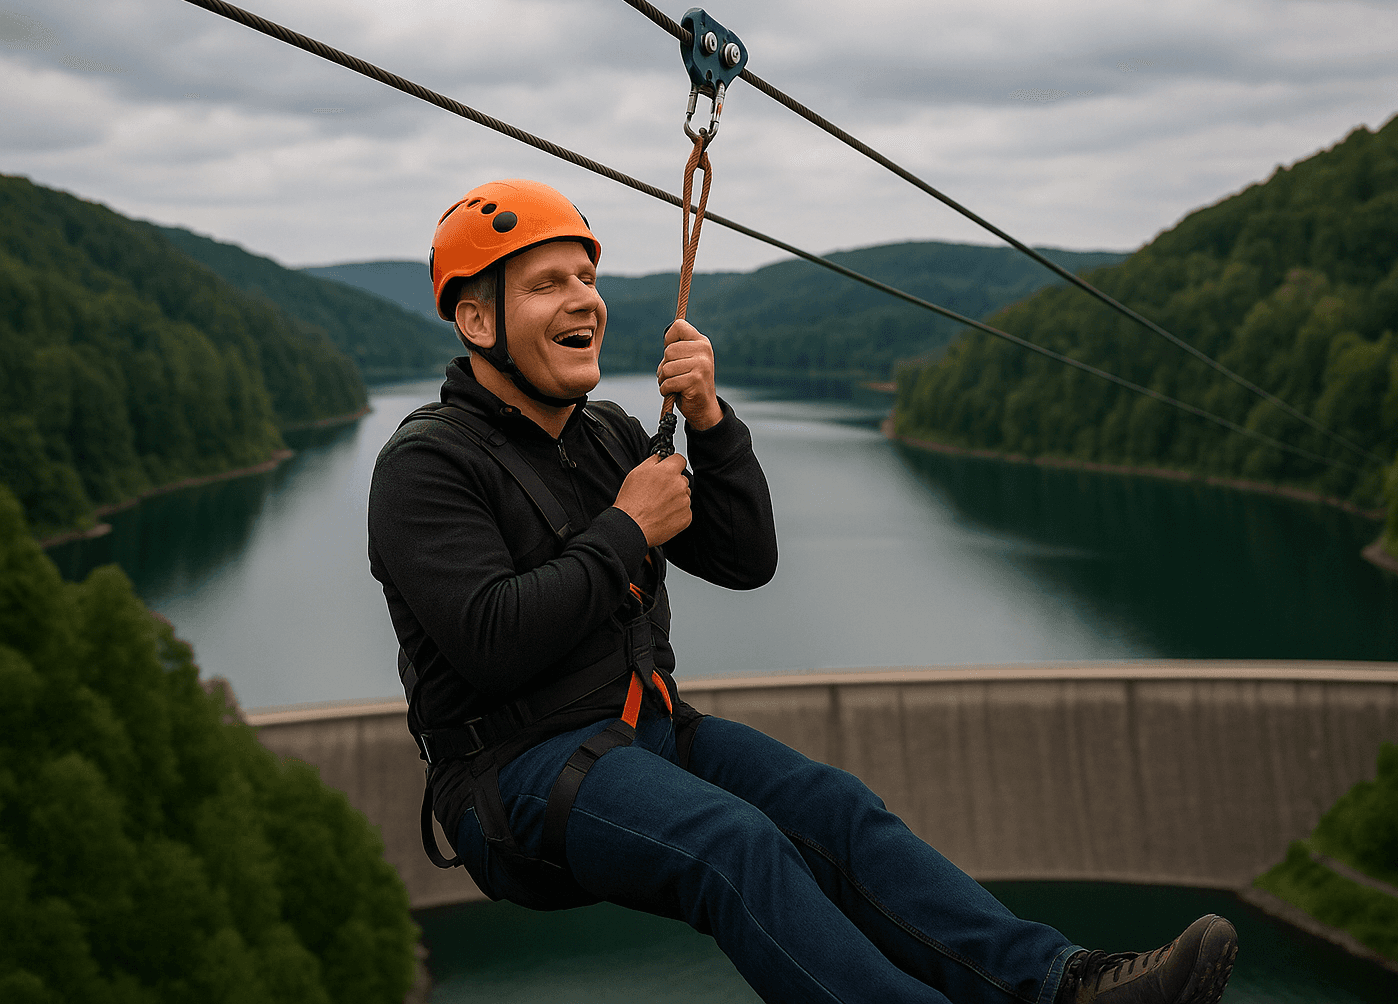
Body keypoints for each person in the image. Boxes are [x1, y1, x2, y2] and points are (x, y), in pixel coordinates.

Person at [367, 178, 1239, 1004]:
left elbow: (747, 559)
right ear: (476, 319)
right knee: (734, 844)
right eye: (546, 285)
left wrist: (711, 424)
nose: (583, 300)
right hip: (516, 779)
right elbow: (489, 639)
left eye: (587, 279)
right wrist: (626, 529)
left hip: (645, 733)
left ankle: (1059, 984)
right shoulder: (427, 464)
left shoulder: (607, 435)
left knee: (836, 809)